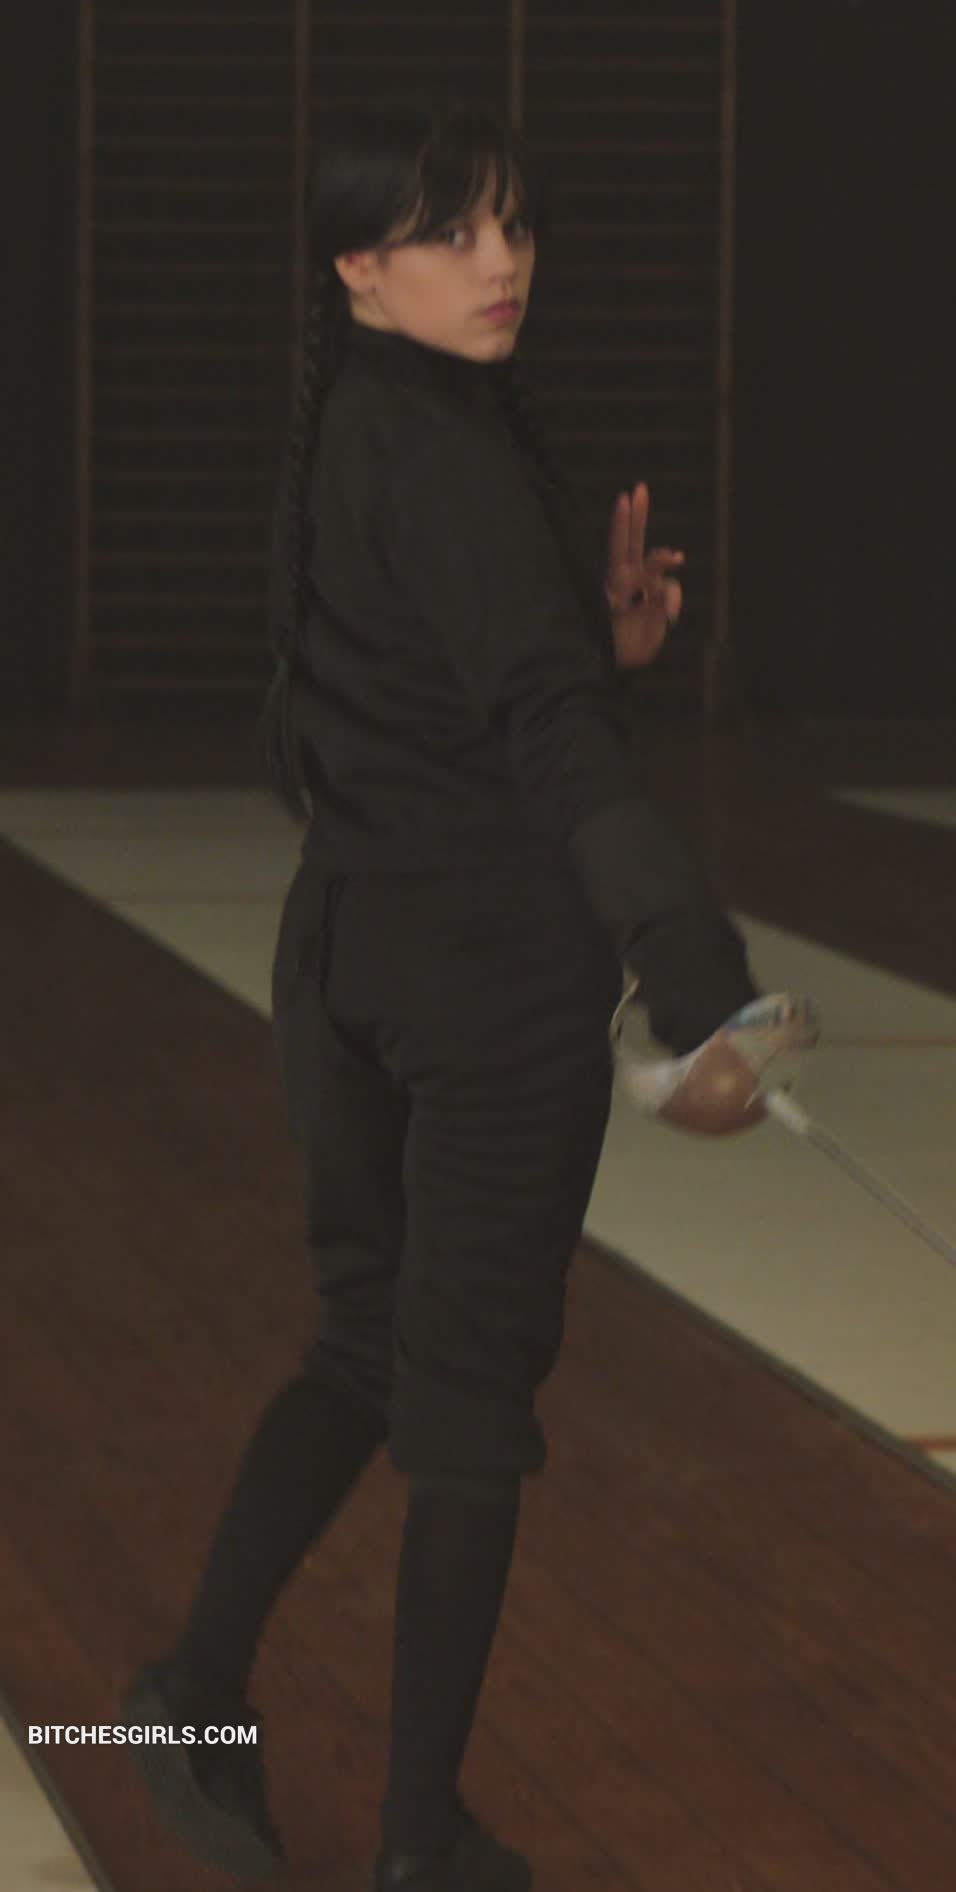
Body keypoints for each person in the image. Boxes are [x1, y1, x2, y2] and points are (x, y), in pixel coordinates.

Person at [119, 98, 761, 1891]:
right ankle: (422, 1846)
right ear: (357, 262)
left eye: (516, 227)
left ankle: (185, 1696)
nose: (502, 262)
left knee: (366, 1343)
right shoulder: (448, 451)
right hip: (485, 987)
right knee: (464, 1406)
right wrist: (694, 977)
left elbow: (414, 689)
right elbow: (544, 733)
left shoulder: (366, 423)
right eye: (452, 232)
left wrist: (596, 643)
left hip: (342, 955)